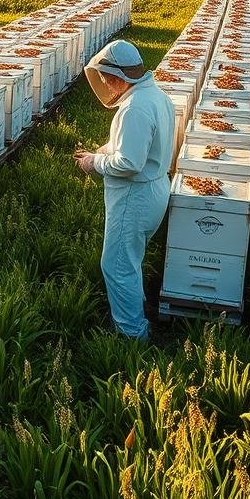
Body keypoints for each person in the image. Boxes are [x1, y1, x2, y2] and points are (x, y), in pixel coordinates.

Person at [73, 40, 175, 340]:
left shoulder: (134, 109)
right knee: (129, 259)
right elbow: (135, 143)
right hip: (154, 189)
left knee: (116, 266)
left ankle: (131, 334)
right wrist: (103, 151)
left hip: (135, 197)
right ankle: (136, 308)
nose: (105, 84)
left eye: (106, 78)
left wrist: (95, 162)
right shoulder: (156, 96)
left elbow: (129, 162)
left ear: (118, 76)